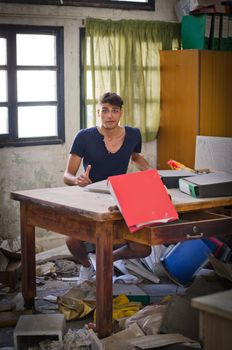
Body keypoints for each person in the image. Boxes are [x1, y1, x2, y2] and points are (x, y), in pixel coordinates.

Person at [64, 92, 152, 280]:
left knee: (143, 247)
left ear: (121, 113)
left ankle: (106, 260)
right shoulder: (84, 136)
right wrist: (76, 180)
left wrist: (152, 174)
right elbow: (67, 175)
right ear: (98, 112)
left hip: (120, 198)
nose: (109, 115)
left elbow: (135, 156)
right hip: (90, 196)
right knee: (71, 240)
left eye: (114, 111)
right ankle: (87, 266)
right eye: (105, 110)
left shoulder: (134, 134)